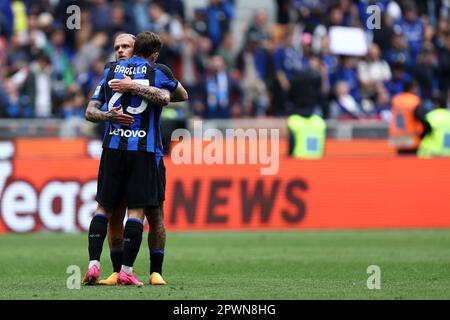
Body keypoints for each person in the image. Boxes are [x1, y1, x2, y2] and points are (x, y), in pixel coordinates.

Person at [83, 31, 187, 286]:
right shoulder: (112, 71)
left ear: (136, 47)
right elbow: (90, 110)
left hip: (149, 154)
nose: (120, 50)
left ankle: (154, 270)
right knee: (120, 211)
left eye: (125, 46)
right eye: (116, 46)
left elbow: (176, 96)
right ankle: (120, 271)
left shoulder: (152, 71)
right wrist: (110, 115)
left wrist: (132, 85)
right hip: (132, 152)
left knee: (154, 213)